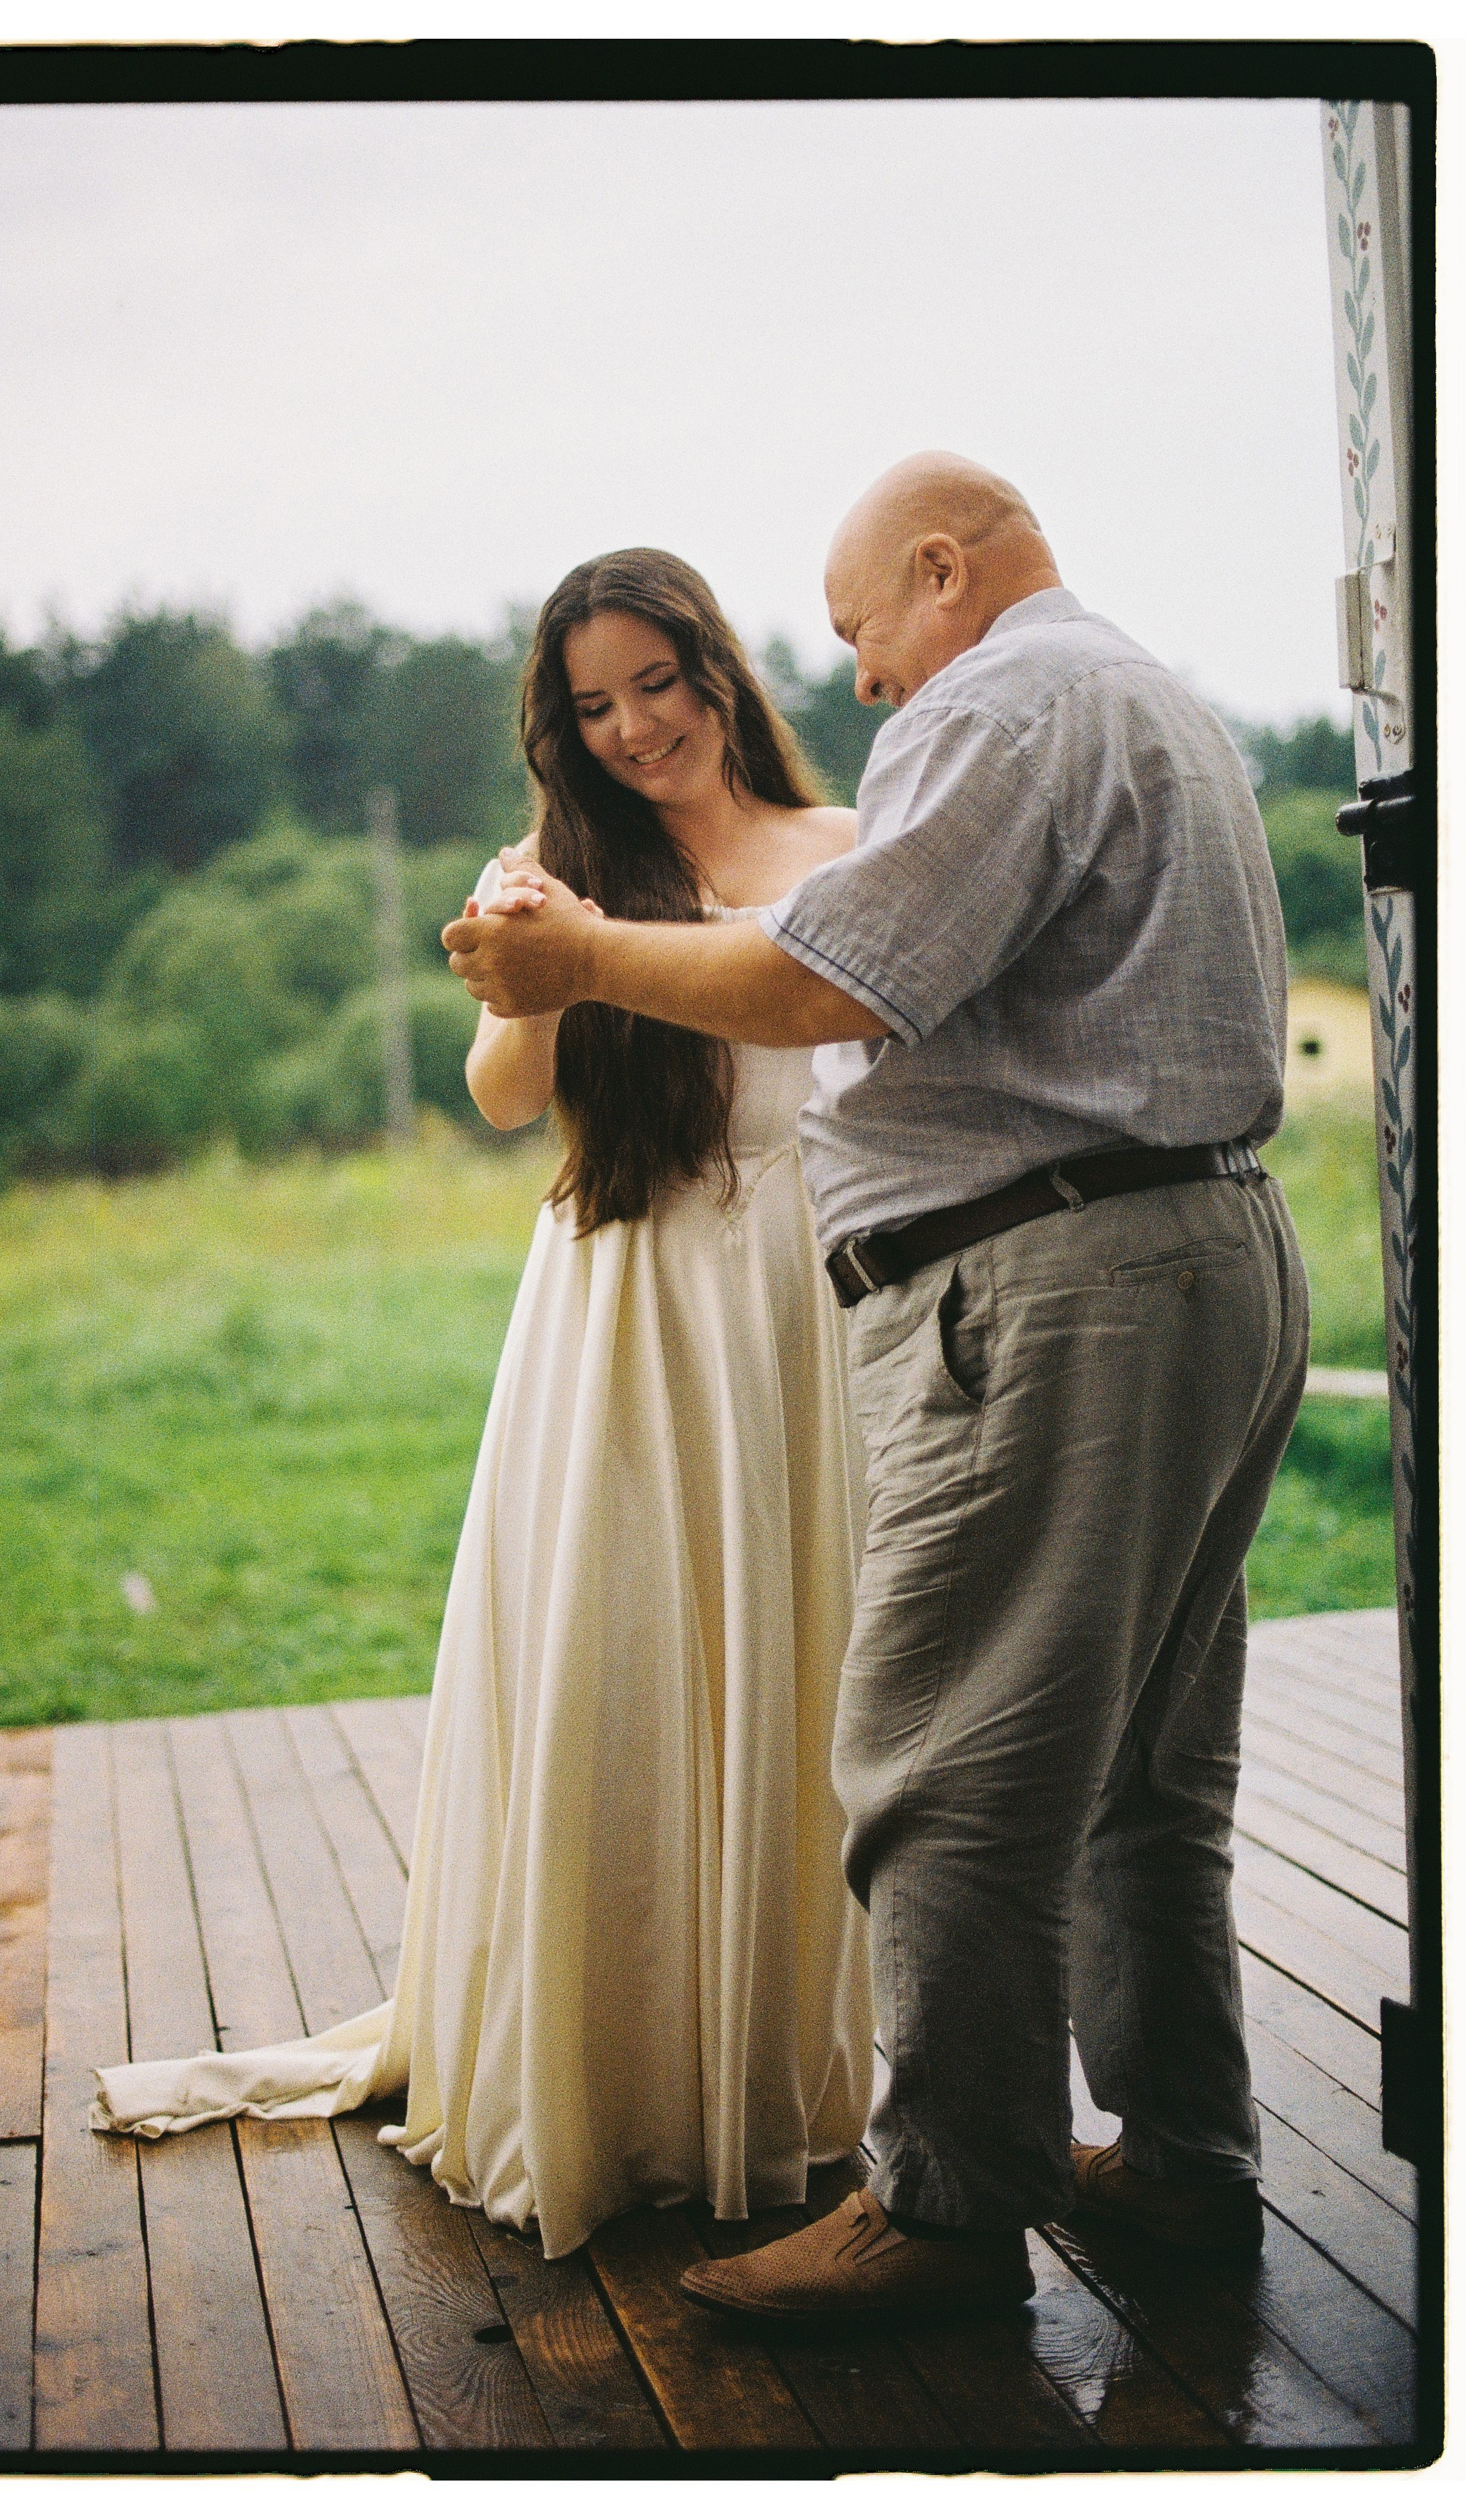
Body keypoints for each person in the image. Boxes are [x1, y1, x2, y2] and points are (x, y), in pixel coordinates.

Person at [445, 454, 1309, 2322]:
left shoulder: (1001, 705)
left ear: (944, 569)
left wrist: (579, 955)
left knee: (950, 1766)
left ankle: (933, 2211)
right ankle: (1174, 2166)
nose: (853, 676)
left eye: (857, 627)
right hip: (1208, 1247)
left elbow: (837, 981)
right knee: (1147, 1769)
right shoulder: (1155, 698)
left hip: (1054, 1280)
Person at [92, 549, 876, 2259]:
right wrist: (533, 961)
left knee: (801, 1677)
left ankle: (773, 2077)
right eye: (590, 706)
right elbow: (507, 1097)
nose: (630, 728)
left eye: (653, 685)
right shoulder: (553, 871)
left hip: (808, 1298)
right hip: (625, 1300)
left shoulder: (841, 852)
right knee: (620, 1666)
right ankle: (616, 2080)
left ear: (715, 672)